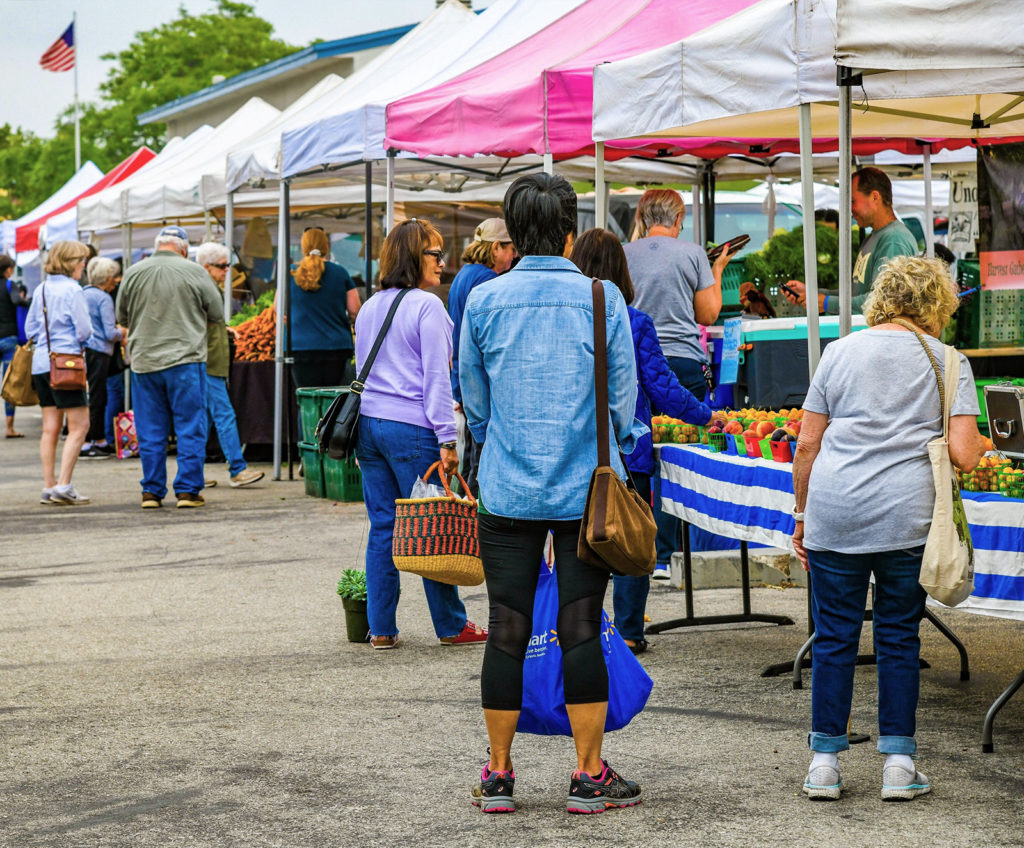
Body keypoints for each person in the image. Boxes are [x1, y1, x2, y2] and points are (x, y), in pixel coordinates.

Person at [461, 175, 644, 815]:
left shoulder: (483, 301)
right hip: (584, 493)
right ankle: (588, 774)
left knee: (506, 626)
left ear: (512, 231)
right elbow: (623, 401)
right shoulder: (601, 298)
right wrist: (620, 441)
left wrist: (502, 442)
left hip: (506, 489)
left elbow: (474, 403)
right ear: (569, 229)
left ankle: (499, 774)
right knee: (581, 626)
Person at [792, 255, 985, 802]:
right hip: (906, 517)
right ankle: (899, 765)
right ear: (936, 304)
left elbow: (808, 443)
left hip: (836, 511)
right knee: (899, 637)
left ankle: (824, 765)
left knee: (833, 636)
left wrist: (803, 515)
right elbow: (964, 455)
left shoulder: (839, 351)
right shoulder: (950, 361)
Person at [570, 228, 713, 655]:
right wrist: (707, 415)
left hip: (573, 449)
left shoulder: (564, 318)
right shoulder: (634, 321)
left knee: (578, 537)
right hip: (627, 449)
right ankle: (630, 631)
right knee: (630, 536)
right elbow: (663, 388)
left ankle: (580, 626)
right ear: (621, 269)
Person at [354, 218, 486, 651]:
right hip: (411, 426)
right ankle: (451, 625)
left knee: (383, 527)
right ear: (413, 256)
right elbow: (437, 379)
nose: (443, 263)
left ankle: (381, 628)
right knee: (433, 524)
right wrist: (448, 440)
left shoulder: (372, 305)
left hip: (369, 425)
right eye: (434, 253)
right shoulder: (427, 306)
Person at [623, 189, 733, 581]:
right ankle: (671, 554)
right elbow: (707, 313)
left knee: (638, 455)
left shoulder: (624, 252)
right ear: (679, 218)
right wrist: (717, 270)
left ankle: (638, 547)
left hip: (633, 363)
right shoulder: (692, 254)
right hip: (684, 362)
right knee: (679, 455)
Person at [116, 226, 223, 509]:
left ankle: (151, 491)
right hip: (186, 359)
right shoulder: (195, 271)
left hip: (144, 361)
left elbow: (122, 316)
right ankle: (188, 491)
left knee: (150, 428)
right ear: (184, 249)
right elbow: (217, 313)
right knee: (190, 425)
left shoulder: (133, 272)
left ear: (158, 245)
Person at [784, 168, 918, 315]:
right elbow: (856, 294)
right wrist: (813, 294)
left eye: (853, 201)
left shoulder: (893, 240)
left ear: (874, 197)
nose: (850, 209)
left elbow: (884, 301)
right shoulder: (875, 237)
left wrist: (828, 303)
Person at [447, 218, 516, 496]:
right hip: (479, 378)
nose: (514, 256)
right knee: (480, 460)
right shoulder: (487, 280)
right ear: (496, 247)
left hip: (462, 375)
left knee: (470, 460)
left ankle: (464, 517)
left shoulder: (464, 274)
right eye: (510, 249)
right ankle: (474, 522)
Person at [23, 241, 93, 504]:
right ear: (72, 262)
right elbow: (84, 330)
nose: (83, 265)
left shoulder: (41, 288)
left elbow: (30, 329)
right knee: (80, 425)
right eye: (81, 260)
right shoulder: (74, 290)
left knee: (49, 428)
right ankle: (64, 485)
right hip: (66, 363)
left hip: (42, 362)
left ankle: (49, 485)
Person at [196, 242, 264, 488]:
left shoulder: (203, 286)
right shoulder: (204, 287)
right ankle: (237, 468)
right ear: (207, 266)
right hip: (209, 361)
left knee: (203, 418)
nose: (227, 271)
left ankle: (193, 472)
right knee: (223, 414)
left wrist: (223, 330)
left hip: (208, 359)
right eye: (223, 266)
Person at [289, 227, 361, 439]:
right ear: (327, 246)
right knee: (333, 401)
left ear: (303, 247)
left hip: (300, 348)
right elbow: (355, 310)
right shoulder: (341, 273)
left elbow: (278, 310)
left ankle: (308, 453)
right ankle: (330, 454)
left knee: (306, 402)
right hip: (335, 347)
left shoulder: (292, 272)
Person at [79, 257, 125, 459]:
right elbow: (109, 332)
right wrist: (122, 332)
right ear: (107, 278)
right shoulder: (104, 298)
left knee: (92, 395)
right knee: (99, 397)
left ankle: (92, 439)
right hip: (100, 352)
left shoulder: (83, 294)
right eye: (114, 277)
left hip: (85, 350)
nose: (116, 281)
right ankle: (94, 441)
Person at [1, 253, 31, 438]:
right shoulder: (10, 285)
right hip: (8, 338)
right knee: (9, 383)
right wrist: (27, 302)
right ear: (8, 270)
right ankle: (9, 428)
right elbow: (16, 300)